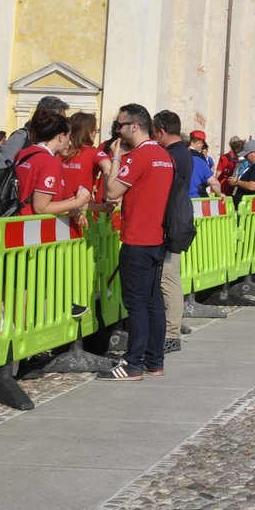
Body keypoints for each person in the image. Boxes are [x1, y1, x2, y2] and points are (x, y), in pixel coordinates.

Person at [99, 104, 173, 381]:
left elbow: (112, 191)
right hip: (157, 238)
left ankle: (133, 364)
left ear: (134, 126)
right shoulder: (164, 155)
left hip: (137, 238)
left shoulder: (139, 156)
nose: (116, 130)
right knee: (153, 301)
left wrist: (117, 158)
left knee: (137, 304)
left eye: (120, 125)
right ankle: (155, 360)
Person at [152, 110, 197, 353]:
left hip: (172, 223)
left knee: (168, 279)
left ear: (160, 130)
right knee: (169, 278)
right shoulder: (182, 152)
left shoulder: (172, 155)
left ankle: (171, 333)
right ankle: (169, 331)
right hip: (176, 221)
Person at [14, 110, 92, 218]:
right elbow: (41, 208)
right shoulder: (50, 162)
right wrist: (78, 202)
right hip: (34, 226)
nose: (69, 143)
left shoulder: (22, 153)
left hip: (13, 221)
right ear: (61, 136)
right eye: (69, 137)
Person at [227, 137, 255, 205]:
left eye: (247, 155)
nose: (245, 157)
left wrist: (236, 182)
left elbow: (252, 186)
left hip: (251, 207)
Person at [187, 131, 220, 198]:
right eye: (203, 145)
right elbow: (209, 180)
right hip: (197, 194)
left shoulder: (182, 153)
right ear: (199, 143)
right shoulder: (199, 157)